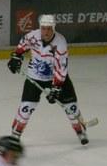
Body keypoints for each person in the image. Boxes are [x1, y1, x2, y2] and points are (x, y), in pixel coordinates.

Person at [7, 14, 89, 145]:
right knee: (26, 107)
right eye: (44, 28)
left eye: (49, 28)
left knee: (71, 107)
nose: (46, 31)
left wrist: (56, 87)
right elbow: (22, 46)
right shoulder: (32, 36)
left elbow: (61, 68)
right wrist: (16, 57)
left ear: (53, 28)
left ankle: (80, 130)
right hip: (35, 76)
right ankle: (15, 134)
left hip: (56, 78)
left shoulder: (60, 43)